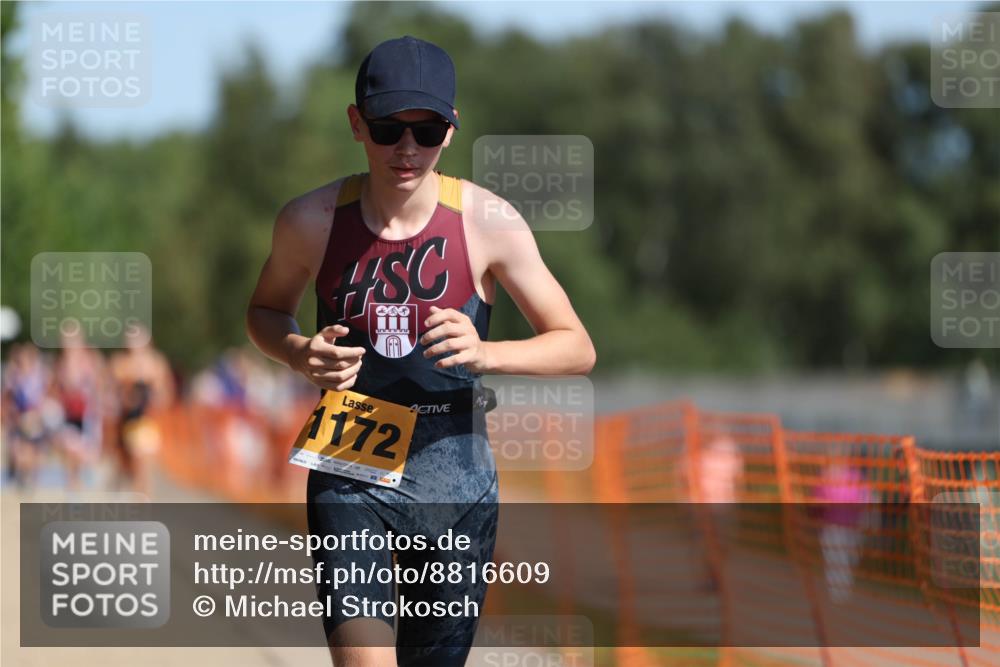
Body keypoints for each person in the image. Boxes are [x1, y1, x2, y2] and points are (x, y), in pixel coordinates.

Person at [246, 35, 595, 667]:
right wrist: (298, 351)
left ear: (451, 131)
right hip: (351, 461)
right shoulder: (311, 219)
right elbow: (264, 311)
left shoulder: (489, 221)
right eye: (388, 128)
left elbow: (576, 347)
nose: (407, 149)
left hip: (454, 473)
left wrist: (489, 353)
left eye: (427, 129)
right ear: (357, 124)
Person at [110, 324, 175, 497]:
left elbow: (166, 394)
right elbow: (113, 394)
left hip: (149, 421)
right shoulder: (120, 363)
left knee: (143, 463)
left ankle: (142, 501)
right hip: (125, 421)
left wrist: (154, 395)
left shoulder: (156, 363)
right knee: (126, 467)